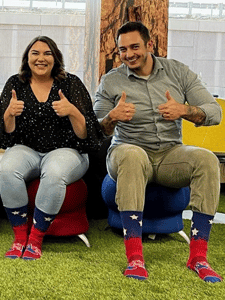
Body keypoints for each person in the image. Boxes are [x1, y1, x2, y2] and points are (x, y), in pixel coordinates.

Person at [94, 21, 222, 282]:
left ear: (150, 45)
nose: (128, 54)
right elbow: (95, 129)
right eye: (122, 50)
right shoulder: (111, 81)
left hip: (168, 155)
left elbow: (214, 112)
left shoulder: (178, 72)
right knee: (132, 155)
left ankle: (198, 257)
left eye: (134, 47)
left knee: (207, 160)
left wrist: (184, 110)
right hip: (126, 151)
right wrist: (112, 117)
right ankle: (135, 258)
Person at [0, 36, 103, 260]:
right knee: (7, 169)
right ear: (27, 58)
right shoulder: (15, 83)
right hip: (27, 149)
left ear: (56, 58)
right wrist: (9, 113)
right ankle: (19, 237)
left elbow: (87, 135)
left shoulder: (71, 83)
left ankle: (35, 239)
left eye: (47, 53)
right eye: (35, 53)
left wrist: (72, 111)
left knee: (53, 173)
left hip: (67, 150)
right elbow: (5, 136)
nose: (41, 58)